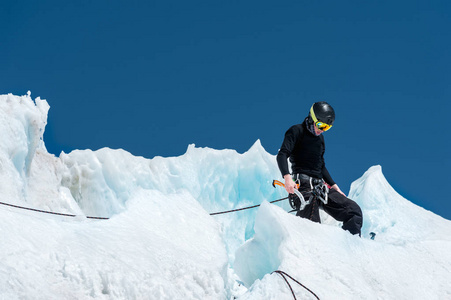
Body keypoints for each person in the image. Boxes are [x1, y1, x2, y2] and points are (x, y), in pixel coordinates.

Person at [276, 101, 362, 236]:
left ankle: (350, 247)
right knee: (312, 224)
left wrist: (334, 186)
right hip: (303, 187)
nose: (321, 130)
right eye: (321, 125)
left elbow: (320, 166)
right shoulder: (296, 131)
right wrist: (287, 177)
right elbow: (282, 154)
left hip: (320, 188)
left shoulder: (320, 140)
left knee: (353, 211)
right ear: (312, 118)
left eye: (326, 128)